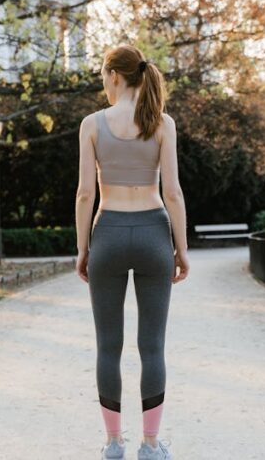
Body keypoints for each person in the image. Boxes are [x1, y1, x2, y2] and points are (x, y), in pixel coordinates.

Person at [76, 44, 189, 460]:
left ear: (114, 75)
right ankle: (151, 445)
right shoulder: (162, 124)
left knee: (108, 345)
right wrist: (182, 248)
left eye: (103, 77)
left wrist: (83, 247)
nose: (103, 84)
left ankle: (112, 444)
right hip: (153, 234)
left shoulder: (91, 124)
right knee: (152, 346)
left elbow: (86, 193)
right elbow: (173, 193)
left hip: (107, 231)